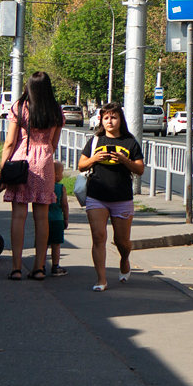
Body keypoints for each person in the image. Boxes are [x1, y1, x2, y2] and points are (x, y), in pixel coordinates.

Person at [0, 71, 63, 281]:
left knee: (19, 215)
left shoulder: (20, 107)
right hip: (45, 162)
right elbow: (54, 144)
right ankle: (39, 268)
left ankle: (16, 268)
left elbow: (10, 142)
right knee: (42, 217)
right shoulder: (55, 110)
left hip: (21, 161)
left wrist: (3, 167)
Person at [77, 102, 145, 291]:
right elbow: (81, 165)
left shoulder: (130, 142)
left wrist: (124, 160)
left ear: (120, 120)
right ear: (101, 120)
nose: (110, 121)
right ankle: (101, 280)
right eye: (106, 117)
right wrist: (94, 159)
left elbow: (140, 169)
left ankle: (124, 258)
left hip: (122, 197)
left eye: (113, 117)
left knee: (122, 241)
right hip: (96, 196)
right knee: (98, 237)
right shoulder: (96, 141)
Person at [47, 162, 69, 276]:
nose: (62, 175)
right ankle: (55, 266)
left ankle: (40, 264)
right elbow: (64, 204)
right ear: (55, 175)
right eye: (61, 172)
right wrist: (66, 218)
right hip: (57, 219)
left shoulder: (44, 186)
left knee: (43, 243)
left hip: (44, 219)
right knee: (56, 244)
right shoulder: (61, 188)